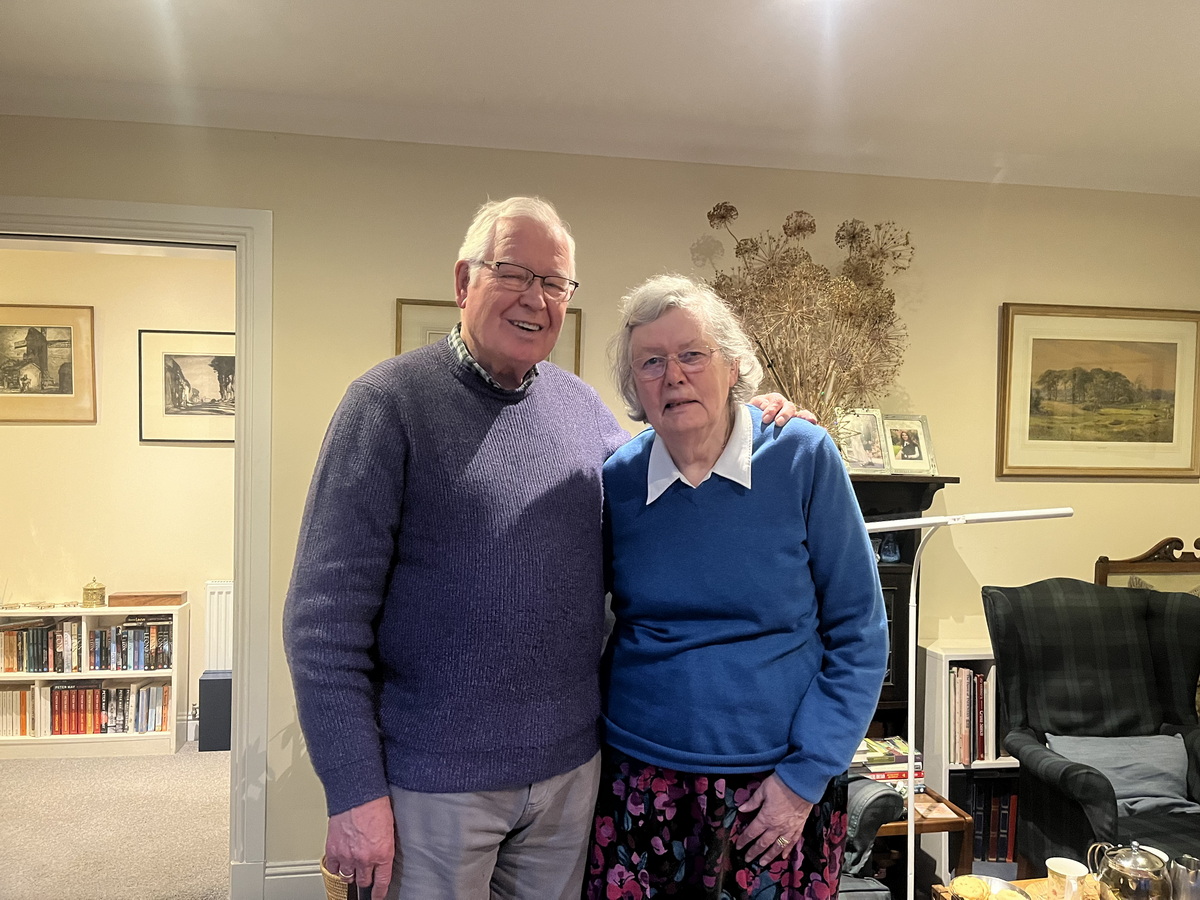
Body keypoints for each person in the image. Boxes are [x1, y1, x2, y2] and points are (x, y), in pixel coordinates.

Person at [283, 198, 800, 900]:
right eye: (513, 273)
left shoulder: (583, 409)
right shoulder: (386, 405)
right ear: (464, 281)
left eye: (555, 282)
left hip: (568, 779)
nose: (536, 298)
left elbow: (679, 480)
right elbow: (322, 624)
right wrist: (352, 792)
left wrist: (756, 421)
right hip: (433, 788)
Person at [585, 275, 888, 900]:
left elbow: (860, 632)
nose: (673, 376)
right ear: (634, 389)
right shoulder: (618, 480)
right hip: (639, 778)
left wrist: (804, 778)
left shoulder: (802, 456)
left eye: (692, 354)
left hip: (776, 787)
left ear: (733, 367)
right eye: (651, 362)